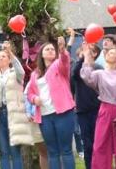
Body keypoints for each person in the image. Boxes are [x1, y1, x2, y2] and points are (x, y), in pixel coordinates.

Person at [0, 42, 41, 169]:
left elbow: (21, 70)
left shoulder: (15, 73)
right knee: (4, 151)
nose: (1, 58)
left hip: (13, 115)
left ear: (9, 59)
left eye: (4, 56)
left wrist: (10, 52)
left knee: (15, 151)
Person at [81, 40, 116, 169]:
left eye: (113, 53)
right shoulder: (100, 74)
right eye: (108, 53)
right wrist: (87, 57)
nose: (110, 54)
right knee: (100, 145)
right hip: (104, 110)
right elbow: (86, 77)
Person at [28, 36, 76, 169]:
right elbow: (30, 93)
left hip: (63, 113)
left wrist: (62, 49)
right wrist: (34, 99)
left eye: (52, 49)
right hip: (44, 116)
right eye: (47, 49)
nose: (50, 51)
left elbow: (64, 60)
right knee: (52, 151)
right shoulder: (35, 74)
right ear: (41, 54)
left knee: (66, 150)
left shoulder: (58, 66)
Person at [72, 38, 102, 169]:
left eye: (89, 51)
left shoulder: (99, 68)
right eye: (83, 51)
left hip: (97, 109)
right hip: (82, 111)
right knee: (87, 143)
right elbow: (74, 74)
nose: (85, 52)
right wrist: (82, 59)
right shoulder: (77, 67)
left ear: (95, 54)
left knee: (98, 141)